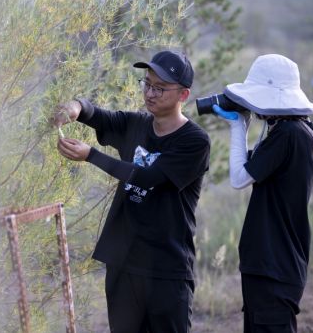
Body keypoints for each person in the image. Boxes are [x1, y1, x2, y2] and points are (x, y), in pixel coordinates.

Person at [53, 50, 210, 332]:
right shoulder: (135, 124)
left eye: (160, 88)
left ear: (183, 95)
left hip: (166, 270)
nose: (150, 93)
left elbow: (147, 177)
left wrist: (91, 155)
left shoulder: (194, 141)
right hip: (123, 265)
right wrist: (74, 108)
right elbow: (97, 115)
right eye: (147, 83)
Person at [213, 54, 313, 333]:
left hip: (273, 265)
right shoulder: (298, 130)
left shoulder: (288, 133)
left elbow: (240, 178)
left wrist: (237, 127)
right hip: (273, 263)